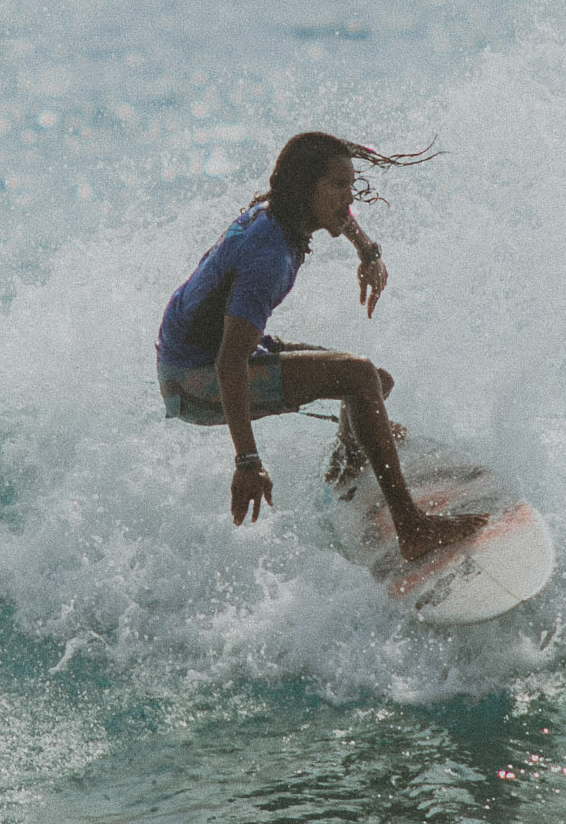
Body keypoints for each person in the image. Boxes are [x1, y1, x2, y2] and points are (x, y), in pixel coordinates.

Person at [154, 131, 484, 561]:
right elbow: (230, 362)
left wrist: (367, 251)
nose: (350, 200)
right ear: (302, 190)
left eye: (351, 184)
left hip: (205, 355)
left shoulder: (280, 211)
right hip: (195, 378)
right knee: (359, 377)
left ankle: (348, 463)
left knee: (374, 384)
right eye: (338, 186)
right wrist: (247, 462)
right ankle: (412, 527)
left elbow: (340, 215)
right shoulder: (268, 256)